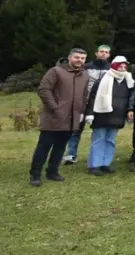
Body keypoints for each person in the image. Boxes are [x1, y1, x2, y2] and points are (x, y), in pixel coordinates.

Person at [29, 48, 89, 186]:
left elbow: (85, 95)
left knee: (60, 146)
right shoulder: (56, 71)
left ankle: (52, 172)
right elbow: (44, 90)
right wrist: (55, 107)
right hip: (53, 117)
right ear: (69, 58)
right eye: (77, 57)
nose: (79, 60)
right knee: (44, 146)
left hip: (71, 118)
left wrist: (81, 111)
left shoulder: (84, 75)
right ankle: (35, 174)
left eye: (82, 58)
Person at [83, 56, 134, 176]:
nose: (123, 68)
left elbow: (131, 98)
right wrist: (89, 114)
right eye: (120, 66)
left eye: (125, 66)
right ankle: (94, 165)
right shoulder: (103, 79)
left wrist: (129, 111)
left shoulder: (129, 81)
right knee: (99, 139)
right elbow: (93, 97)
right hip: (101, 115)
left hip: (117, 116)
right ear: (114, 66)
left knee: (110, 140)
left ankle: (105, 163)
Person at [64, 44, 112, 165]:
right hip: (83, 101)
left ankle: (95, 155)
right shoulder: (86, 67)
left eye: (106, 52)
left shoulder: (111, 68)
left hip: (100, 104)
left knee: (98, 132)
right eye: (101, 51)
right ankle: (71, 154)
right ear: (96, 53)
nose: (103, 54)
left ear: (109, 55)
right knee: (76, 129)